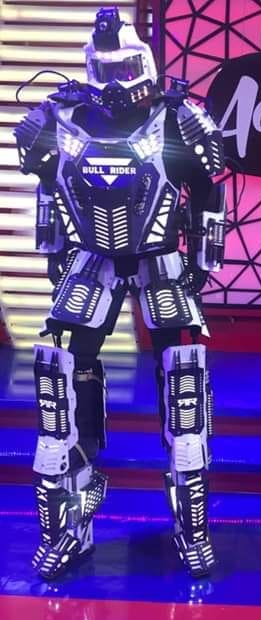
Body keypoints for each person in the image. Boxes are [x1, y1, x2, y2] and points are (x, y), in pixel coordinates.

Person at [14, 7, 226, 580]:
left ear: (146, 63)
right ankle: (68, 530)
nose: (117, 80)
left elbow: (208, 192)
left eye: (126, 67)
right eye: (107, 69)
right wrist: (53, 252)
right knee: (57, 381)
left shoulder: (178, 118)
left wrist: (201, 263)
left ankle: (193, 532)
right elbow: (47, 187)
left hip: (161, 261)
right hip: (91, 260)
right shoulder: (57, 117)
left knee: (185, 384)